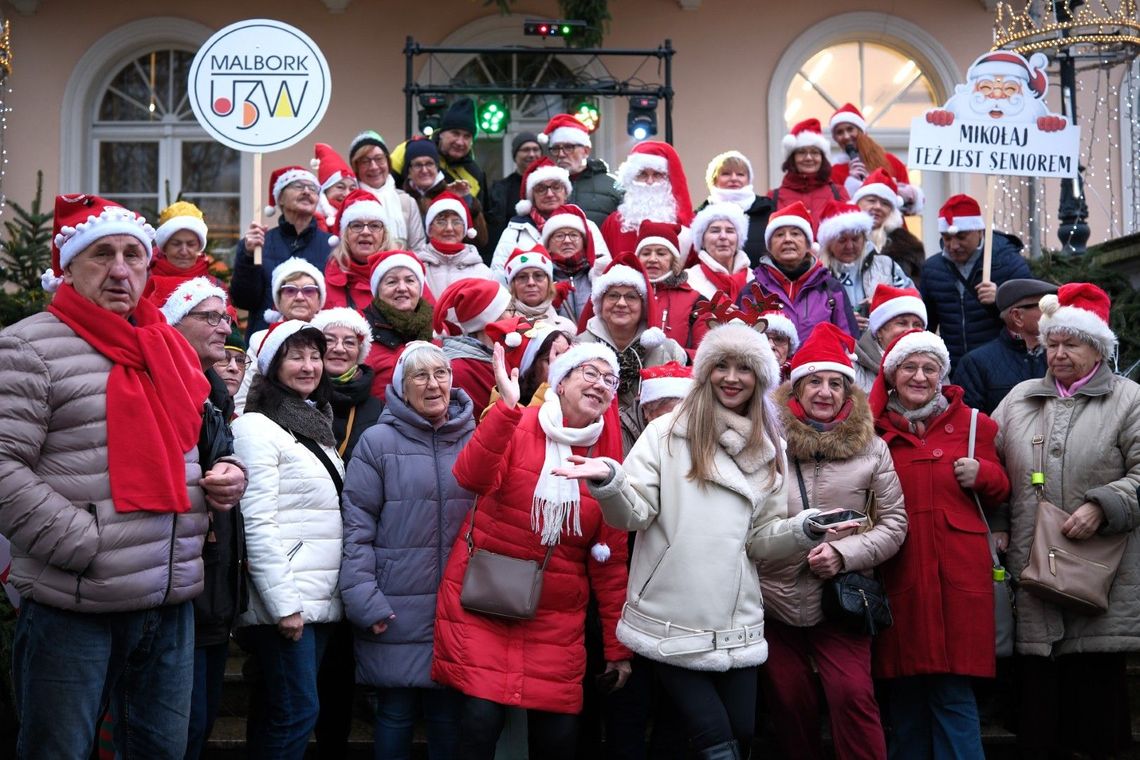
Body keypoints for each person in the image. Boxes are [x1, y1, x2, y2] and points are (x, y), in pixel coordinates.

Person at [1, 194, 244, 759]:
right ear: (67, 265)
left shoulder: (167, 348)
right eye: (100, 254)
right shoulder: (28, 346)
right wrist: (83, 542)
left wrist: (228, 474)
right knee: (58, 750)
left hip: (168, 600)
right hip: (76, 602)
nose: (119, 270)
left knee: (160, 750)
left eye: (133, 255)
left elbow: (201, 448)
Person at [564, 318, 847, 760]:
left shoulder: (771, 447)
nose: (732, 378)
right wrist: (610, 481)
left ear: (761, 379)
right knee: (717, 741)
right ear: (705, 371)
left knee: (740, 732)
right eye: (722, 366)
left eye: (744, 368)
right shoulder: (666, 433)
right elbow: (632, 515)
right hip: (673, 613)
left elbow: (759, 541)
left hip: (737, 621)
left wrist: (802, 529)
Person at [431, 342, 632, 760]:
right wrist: (505, 408)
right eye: (588, 373)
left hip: (555, 620)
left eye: (608, 380)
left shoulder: (605, 460)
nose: (599, 384)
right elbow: (470, 475)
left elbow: (609, 564)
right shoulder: (518, 423)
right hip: (485, 600)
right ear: (560, 382)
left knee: (557, 738)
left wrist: (616, 648)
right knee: (479, 723)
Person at [991, 283, 1140, 759]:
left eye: (1070, 344)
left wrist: (1104, 504)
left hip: (1103, 585)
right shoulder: (1018, 400)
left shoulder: (1128, 400)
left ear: (1097, 347)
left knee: (1099, 718)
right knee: (1039, 719)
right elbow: (993, 473)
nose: (1057, 353)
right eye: (1052, 342)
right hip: (1032, 584)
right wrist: (996, 518)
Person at [760, 323, 907, 760]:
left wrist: (844, 554)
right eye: (814, 382)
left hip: (840, 599)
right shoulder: (767, 443)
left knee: (853, 697)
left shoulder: (872, 449)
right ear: (797, 389)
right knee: (788, 703)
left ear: (848, 393)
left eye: (835, 383)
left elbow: (894, 523)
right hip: (774, 597)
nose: (824, 392)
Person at [869, 329, 1010, 759]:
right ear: (892, 376)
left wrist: (983, 474)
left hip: (958, 578)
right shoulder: (872, 433)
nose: (919, 376)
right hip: (902, 574)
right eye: (910, 367)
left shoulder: (975, 425)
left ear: (942, 375)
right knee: (906, 697)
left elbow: (1003, 489)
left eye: (929, 368)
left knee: (953, 693)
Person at [340, 341, 476, 760]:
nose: (433, 384)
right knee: (395, 714)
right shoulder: (376, 442)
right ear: (401, 385)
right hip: (394, 603)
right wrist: (364, 599)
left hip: (459, 606)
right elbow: (356, 527)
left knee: (448, 718)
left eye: (441, 374)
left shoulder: (475, 438)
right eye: (420, 375)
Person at [232, 320, 345, 760]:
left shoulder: (314, 425)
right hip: (288, 601)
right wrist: (284, 604)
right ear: (273, 365)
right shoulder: (257, 428)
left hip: (315, 597)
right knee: (298, 712)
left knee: (279, 711)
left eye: (315, 356)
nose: (309, 365)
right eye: (296, 356)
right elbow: (256, 521)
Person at [160, 279, 250, 760]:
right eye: (209, 317)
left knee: (202, 718)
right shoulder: (163, 382)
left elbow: (222, 459)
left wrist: (231, 472)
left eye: (225, 317)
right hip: (176, 581)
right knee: (178, 727)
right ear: (175, 323)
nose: (223, 327)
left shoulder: (214, 391)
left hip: (212, 581)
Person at [577, 255, 688, 452]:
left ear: (643, 305)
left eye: (630, 297)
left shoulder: (667, 350)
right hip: (591, 446)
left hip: (655, 449)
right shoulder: (579, 348)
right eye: (613, 295)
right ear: (600, 303)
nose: (621, 303)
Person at [920, 193, 1032, 365]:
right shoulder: (932, 269)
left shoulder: (1009, 263)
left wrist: (1001, 299)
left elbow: (1030, 318)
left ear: (979, 231)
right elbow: (926, 324)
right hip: (953, 367)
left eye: (961, 237)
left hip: (1000, 365)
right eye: (947, 238)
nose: (953, 245)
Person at [230, 165, 333, 337]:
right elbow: (243, 300)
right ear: (280, 199)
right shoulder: (257, 244)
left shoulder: (332, 246)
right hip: (265, 339)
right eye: (298, 186)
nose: (307, 191)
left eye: (313, 189)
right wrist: (248, 257)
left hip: (317, 341)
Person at [747, 201, 860, 343]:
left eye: (795, 234)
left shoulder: (831, 289)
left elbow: (849, 343)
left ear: (808, 244)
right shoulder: (753, 290)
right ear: (769, 245)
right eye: (779, 235)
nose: (788, 239)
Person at [236, 257, 327, 414]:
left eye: (309, 290)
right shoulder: (261, 341)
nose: (299, 297)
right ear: (278, 298)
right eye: (290, 290)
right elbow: (241, 401)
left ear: (320, 299)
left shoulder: (333, 338)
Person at [491, 158, 611, 278]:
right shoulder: (515, 231)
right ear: (532, 196)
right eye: (541, 189)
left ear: (565, 193)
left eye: (556, 187)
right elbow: (499, 275)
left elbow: (604, 271)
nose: (549, 194)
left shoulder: (587, 226)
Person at [953, 278, 1057, 415]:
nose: (1056, 312)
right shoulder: (975, 364)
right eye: (1046, 306)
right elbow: (970, 425)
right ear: (1017, 316)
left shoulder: (1061, 356)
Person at [817, 199, 913, 331]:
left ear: (864, 238)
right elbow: (808, 317)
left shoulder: (885, 265)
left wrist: (885, 299)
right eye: (842, 240)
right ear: (828, 243)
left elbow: (913, 300)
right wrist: (842, 320)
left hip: (880, 346)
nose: (850, 246)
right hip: (835, 346)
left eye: (855, 239)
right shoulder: (816, 273)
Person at [361, 250, 435, 400]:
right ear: (377, 290)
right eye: (392, 282)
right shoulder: (361, 334)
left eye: (410, 280)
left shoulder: (437, 331)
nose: (402, 288)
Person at [433, 279, 513, 416]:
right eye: (509, 310)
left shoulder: (498, 355)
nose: (514, 316)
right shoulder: (459, 370)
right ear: (490, 320)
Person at [602, 141, 694, 258]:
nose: (650, 182)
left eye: (657, 175)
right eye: (642, 174)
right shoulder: (612, 224)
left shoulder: (683, 224)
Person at [311, 307, 382, 460]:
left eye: (349, 343)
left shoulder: (377, 410)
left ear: (359, 351)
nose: (339, 348)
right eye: (329, 340)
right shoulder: (297, 397)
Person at [828, 103, 923, 214]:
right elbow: (837, 211)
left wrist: (905, 194)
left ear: (861, 131)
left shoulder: (890, 161)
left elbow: (908, 207)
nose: (846, 136)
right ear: (835, 138)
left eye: (850, 129)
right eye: (840, 132)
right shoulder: (834, 172)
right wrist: (851, 184)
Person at [392, 98, 489, 204]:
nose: (460, 142)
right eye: (455, 133)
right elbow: (384, 188)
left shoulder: (475, 174)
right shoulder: (408, 149)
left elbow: (479, 217)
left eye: (467, 136)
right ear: (441, 133)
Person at [402, 137, 490, 252]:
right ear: (409, 171)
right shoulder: (401, 199)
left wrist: (466, 200)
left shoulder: (453, 192)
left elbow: (480, 240)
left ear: (437, 167)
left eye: (429, 164)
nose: (424, 170)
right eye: (418, 165)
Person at [348, 130, 427, 253]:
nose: (374, 167)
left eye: (379, 159)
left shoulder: (406, 202)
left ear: (388, 162)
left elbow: (419, 248)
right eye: (365, 161)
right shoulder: (350, 201)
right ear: (356, 167)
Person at [635, 220, 709, 352]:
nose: (652, 259)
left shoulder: (696, 301)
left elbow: (705, 354)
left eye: (661, 253)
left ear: (673, 259)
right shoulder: (624, 294)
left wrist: (679, 356)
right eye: (646, 253)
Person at [537, 114, 622, 227]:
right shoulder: (544, 187)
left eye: (568, 147)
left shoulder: (614, 186)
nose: (561, 154)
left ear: (586, 151)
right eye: (556, 148)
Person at [697, 150, 775, 266]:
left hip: (764, 281)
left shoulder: (768, 209)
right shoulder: (701, 214)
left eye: (740, 174)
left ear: (749, 180)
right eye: (726, 174)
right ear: (714, 179)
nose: (734, 178)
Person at [323, 189, 396, 312]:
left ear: (384, 234)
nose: (365, 232)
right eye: (357, 225)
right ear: (345, 235)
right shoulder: (328, 283)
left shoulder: (406, 271)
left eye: (374, 225)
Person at [143, 200, 224, 308]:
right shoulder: (144, 281)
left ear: (199, 247)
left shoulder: (215, 286)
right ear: (165, 247)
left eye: (191, 244)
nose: (184, 251)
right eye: (176, 244)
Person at [538, 204, 611, 325]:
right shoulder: (541, 279)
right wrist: (549, 303)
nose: (567, 241)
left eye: (573, 235)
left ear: (584, 242)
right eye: (559, 236)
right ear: (548, 246)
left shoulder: (599, 275)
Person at [852, 169, 927, 286]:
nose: (877, 207)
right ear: (857, 203)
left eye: (885, 203)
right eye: (871, 200)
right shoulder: (841, 239)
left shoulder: (907, 247)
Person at [769, 118, 849, 224]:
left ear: (822, 158)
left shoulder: (839, 193)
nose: (809, 158)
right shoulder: (773, 197)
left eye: (815, 152)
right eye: (802, 152)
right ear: (792, 158)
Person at [852, 285, 929, 392]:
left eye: (917, 324)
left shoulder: (934, 366)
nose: (911, 330)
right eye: (902, 323)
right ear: (879, 331)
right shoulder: (853, 368)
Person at [419, 191, 493, 296]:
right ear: (429, 229)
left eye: (456, 222)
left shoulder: (483, 273)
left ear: (464, 229)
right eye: (441, 222)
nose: (449, 228)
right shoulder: (416, 269)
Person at [684, 201, 755, 303]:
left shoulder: (754, 278)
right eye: (715, 231)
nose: (723, 236)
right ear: (702, 240)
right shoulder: (689, 280)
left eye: (730, 231)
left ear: (738, 239)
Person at [501, 245, 578, 333]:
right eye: (522, 277)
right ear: (512, 285)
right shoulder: (501, 327)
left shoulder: (567, 328)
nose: (531, 283)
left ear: (549, 283)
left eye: (538, 275)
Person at [488, 131, 542, 245]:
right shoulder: (500, 189)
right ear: (515, 155)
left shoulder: (550, 187)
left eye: (536, 149)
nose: (532, 154)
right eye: (526, 150)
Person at [312, 142, 357, 235]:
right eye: (340, 187)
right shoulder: (311, 219)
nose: (347, 194)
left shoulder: (364, 218)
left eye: (352, 189)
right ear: (325, 190)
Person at [762, 309, 800, 383]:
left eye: (779, 339)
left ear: (789, 348)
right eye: (763, 338)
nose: (771, 346)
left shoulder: (799, 381)